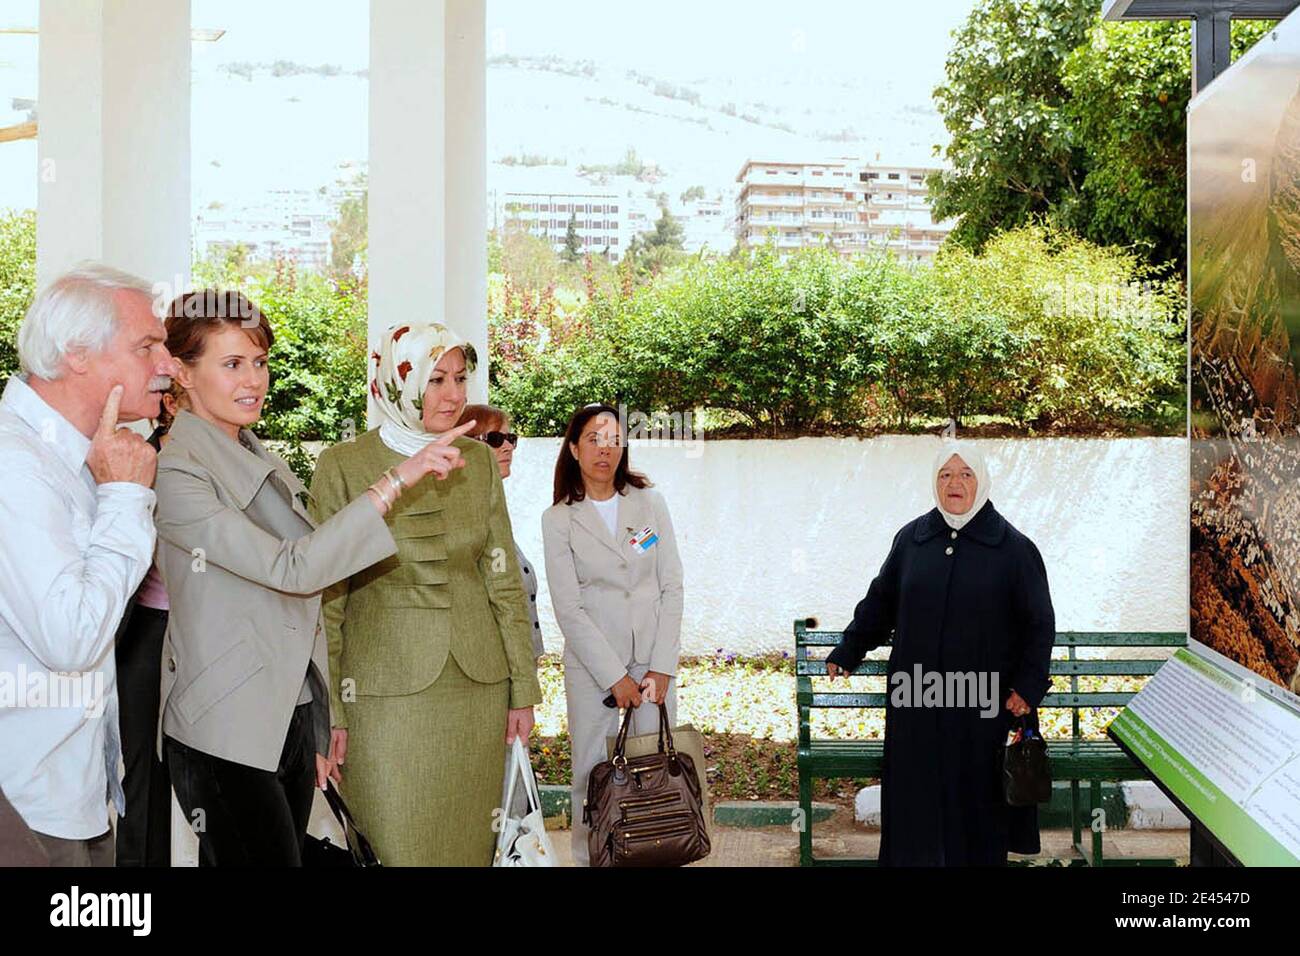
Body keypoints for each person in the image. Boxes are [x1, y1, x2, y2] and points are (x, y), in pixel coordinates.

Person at [153, 292, 470, 866]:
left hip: (288, 715)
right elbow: (293, 569)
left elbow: (305, 594)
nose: (254, 380)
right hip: (225, 727)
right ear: (181, 372)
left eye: (259, 362)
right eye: (232, 364)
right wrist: (393, 482)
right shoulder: (178, 473)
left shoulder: (253, 454)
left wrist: (318, 722)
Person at [310, 322, 542, 866]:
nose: (455, 394)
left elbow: (503, 580)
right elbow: (327, 599)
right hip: (379, 699)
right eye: (436, 379)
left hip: (477, 693)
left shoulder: (479, 461)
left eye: (461, 378)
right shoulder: (342, 466)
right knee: (394, 847)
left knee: (468, 848)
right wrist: (330, 713)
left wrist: (522, 688)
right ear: (397, 382)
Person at [0, 264, 176, 866]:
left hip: (70, 794)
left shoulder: (77, 456)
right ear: (77, 354)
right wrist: (127, 498)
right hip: (24, 809)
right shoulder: (14, 463)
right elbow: (72, 638)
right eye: (147, 345)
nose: (168, 364)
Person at [826, 443, 1055, 866]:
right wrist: (850, 647)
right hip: (918, 701)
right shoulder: (912, 540)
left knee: (976, 811)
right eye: (945, 475)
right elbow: (881, 602)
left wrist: (1027, 687)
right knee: (916, 804)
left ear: (981, 481)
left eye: (965, 474)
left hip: (982, 708)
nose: (955, 483)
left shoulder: (1014, 549)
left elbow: (1039, 625)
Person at [541, 403, 684, 867]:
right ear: (574, 447)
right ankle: (591, 860)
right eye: (594, 439)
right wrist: (613, 677)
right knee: (592, 775)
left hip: (651, 665)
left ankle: (656, 852)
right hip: (592, 670)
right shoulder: (559, 519)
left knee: (656, 767)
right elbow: (569, 608)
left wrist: (661, 666)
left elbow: (670, 584)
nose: (605, 449)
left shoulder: (649, 503)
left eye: (614, 439)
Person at [112, 383, 187, 867]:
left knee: (199, 777)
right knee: (143, 772)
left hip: (203, 634)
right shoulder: (143, 460)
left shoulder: (228, 460)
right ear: (171, 405)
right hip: (148, 630)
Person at [457, 403, 544, 660]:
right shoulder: (463, 517)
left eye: (511, 439)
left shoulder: (492, 509)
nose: (507, 447)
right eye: (495, 439)